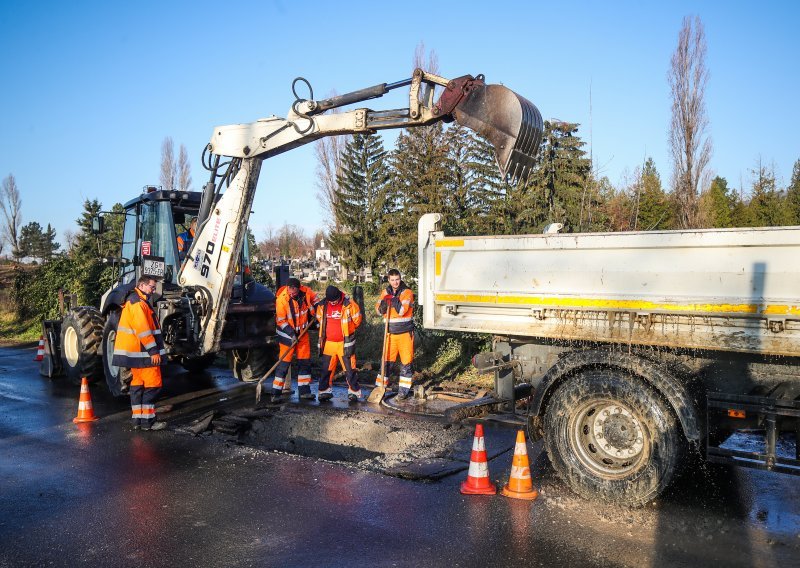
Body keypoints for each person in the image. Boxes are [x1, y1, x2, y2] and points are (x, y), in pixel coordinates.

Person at [112, 275, 167, 431]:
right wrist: (153, 351)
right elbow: (143, 330)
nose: (154, 290)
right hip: (144, 354)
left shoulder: (136, 301)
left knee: (137, 385)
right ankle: (148, 422)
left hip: (136, 354)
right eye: (152, 287)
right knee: (153, 386)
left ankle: (137, 420)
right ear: (141, 286)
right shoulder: (137, 303)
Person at [272, 277, 319, 402]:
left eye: (294, 290)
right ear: (287, 288)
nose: (292, 292)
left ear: (299, 288)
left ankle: (304, 392)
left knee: (304, 363)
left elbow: (316, 300)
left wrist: (317, 310)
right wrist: (292, 335)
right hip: (287, 336)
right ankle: (276, 393)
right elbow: (281, 321)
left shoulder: (306, 292)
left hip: (302, 334)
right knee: (284, 364)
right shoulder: (282, 300)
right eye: (290, 290)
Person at [315, 285, 363, 402]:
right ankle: (324, 391)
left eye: (335, 301)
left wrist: (349, 331)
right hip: (329, 343)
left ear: (339, 296)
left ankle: (354, 392)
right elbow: (319, 319)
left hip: (344, 343)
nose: (333, 303)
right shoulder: (322, 305)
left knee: (349, 369)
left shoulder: (349, 305)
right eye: (330, 301)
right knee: (326, 369)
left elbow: (357, 320)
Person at [375, 268, 415, 399]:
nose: (395, 282)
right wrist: (382, 306)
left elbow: (402, 310)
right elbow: (378, 310)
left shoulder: (407, 292)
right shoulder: (384, 292)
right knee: (386, 363)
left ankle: (403, 391)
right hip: (390, 334)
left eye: (397, 279)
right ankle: (380, 388)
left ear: (400, 278)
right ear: (388, 280)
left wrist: (393, 300)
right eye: (392, 280)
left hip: (405, 334)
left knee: (406, 363)